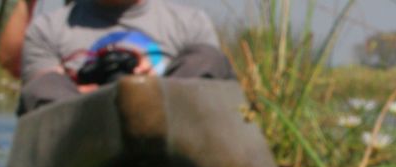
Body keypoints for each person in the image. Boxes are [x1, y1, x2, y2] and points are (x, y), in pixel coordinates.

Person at [16, 0, 235, 114]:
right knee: (42, 85)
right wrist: (88, 92)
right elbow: (39, 91)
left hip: (173, 120)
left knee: (208, 58)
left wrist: (151, 87)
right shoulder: (47, 29)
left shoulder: (191, 23)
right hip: (83, 128)